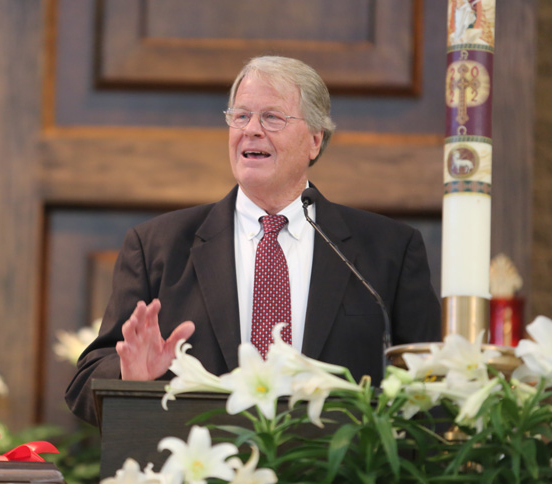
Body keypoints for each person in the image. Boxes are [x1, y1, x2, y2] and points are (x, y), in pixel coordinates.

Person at [65, 56, 441, 426]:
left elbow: (429, 389)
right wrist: (131, 378)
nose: (251, 130)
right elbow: (85, 382)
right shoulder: (157, 247)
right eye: (240, 116)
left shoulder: (389, 250)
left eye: (272, 117)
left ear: (314, 139)